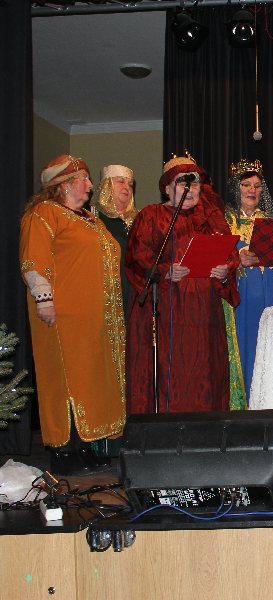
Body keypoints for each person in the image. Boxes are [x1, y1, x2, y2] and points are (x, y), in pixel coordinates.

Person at [20, 155, 126, 475]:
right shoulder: (44, 213)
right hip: (63, 315)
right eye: (85, 179)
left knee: (88, 380)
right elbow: (34, 259)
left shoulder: (90, 219)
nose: (91, 186)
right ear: (65, 184)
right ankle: (62, 450)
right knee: (64, 379)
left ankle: (84, 446)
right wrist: (44, 299)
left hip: (93, 316)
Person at [125, 153, 239, 414]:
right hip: (168, 311)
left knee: (205, 373)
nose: (191, 188)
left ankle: (206, 430)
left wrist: (224, 271)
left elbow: (230, 256)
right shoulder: (151, 215)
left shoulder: (211, 220)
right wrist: (165, 271)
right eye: (183, 182)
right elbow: (136, 259)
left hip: (205, 314)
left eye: (195, 183)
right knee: (172, 373)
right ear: (167, 188)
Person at [223, 158, 273, 410]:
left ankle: (269, 406)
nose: (252, 190)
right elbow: (214, 261)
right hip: (237, 301)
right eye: (246, 185)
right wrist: (237, 259)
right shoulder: (223, 223)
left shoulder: (271, 222)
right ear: (236, 188)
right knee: (244, 349)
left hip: (269, 296)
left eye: (257, 186)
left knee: (267, 349)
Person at [90, 164, 137, 320]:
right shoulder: (92, 217)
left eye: (130, 184)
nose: (127, 187)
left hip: (133, 290)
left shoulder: (139, 219)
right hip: (104, 289)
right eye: (120, 182)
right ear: (107, 185)